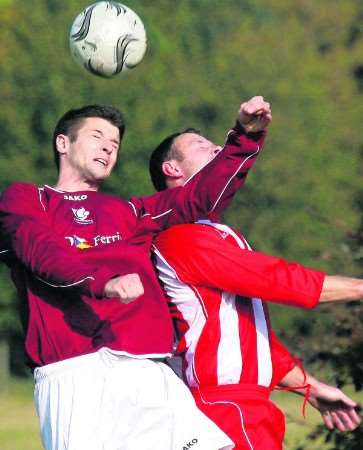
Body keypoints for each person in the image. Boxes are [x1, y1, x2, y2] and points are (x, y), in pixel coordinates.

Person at [0, 98, 271, 450]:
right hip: (75, 376)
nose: (107, 148)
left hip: (146, 370)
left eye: (114, 144)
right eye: (97, 136)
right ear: (62, 143)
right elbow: (39, 251)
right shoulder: (27, 199)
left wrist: (245, 138)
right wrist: (102, 283)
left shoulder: (131, 211)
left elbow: (200, 197)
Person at [148, 124, 362, 450]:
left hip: (244, 407)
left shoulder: (213, 232)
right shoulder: (181, 235)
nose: (217, 148)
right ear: (172, 168)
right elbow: (276, 279)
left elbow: (249, 340)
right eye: (201, 144)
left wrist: (310, 387)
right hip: (224, 409)